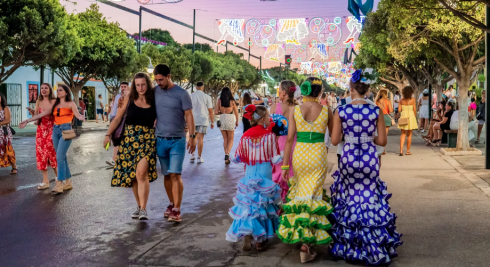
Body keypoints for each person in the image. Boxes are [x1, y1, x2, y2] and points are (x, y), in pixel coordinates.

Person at [330, 69, 402, 265]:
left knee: (351, 198)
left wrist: (350, 135)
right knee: (369, 198)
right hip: (369, 157)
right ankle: (373, 244)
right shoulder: (375, 110)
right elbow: (382, 141)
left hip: (349, 158)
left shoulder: (341, 110)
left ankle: (351, 244)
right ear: (368, 90)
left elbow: (335, 139)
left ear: (351, 89)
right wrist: (367, 137)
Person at [277, 77, 334, 263]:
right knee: (313, 195)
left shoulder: (294, 110)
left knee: (302, 194)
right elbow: (334, 139)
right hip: (318, 155)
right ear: (320, 92)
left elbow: (288, 140)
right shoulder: (327, 110)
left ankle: (303, 237)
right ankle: (307, 245)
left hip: (300, 155)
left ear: (304, 90)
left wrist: (285, 166)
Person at [225, 105, 282, 251]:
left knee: (250, 205)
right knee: (262, 205)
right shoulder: (270, 136)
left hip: (249, 174)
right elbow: (276, 159)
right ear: (262, 119)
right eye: (268, 116)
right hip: (264, 173)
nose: (270, 118)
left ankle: (247, 235)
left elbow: (236, 158)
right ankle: (260, 241)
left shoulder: (245, 135)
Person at [103, 72, 157, 220]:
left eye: (143, 84)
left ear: (148, 84)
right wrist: (108, 135)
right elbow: (118, 118)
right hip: (129, 140)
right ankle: (139, 206)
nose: (140, 87)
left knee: (141, 173)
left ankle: (144, 209)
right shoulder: (129, 99)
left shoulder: (154, 100)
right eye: (138, 85)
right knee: (133, 177)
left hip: (147, 140)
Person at [20, 85, 85, 194]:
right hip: (55, 131)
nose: (58, 92)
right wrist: (28, 120)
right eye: (57, 90)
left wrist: (81, 117)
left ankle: (59, 184)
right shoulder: (55, 104)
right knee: (62, 157)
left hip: (66, 130)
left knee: (59, 157)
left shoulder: (71, 103)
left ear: (66, 92)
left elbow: (77, 115)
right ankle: (68, 183)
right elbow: (43, 114)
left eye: (60, 90)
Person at [153, 64, 196, 223]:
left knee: (175, 174)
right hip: (160, 140)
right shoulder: (155, 91)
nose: (159, 82)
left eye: (161, 79)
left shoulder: (182, 93)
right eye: (156, 80)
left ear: (169, 76)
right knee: (166, 175)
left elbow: (189, 115)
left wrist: (192, 136)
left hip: (177, 140)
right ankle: (171, 204)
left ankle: (177, 210)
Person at [270, 80, 298, 200]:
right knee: (293, 177)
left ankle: (279, 206)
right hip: (295, 145)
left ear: (284, 93)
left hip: (279, 146)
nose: (278, 92)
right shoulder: (297, 108)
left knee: (279, 177)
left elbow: (272, 131)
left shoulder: (275, 107)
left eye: (279, 90)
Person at [27, 83, 57, 189]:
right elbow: (37, 120)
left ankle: (59, 179)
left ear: (50, 90)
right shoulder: (38, 101)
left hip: (52, 130)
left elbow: (57, 116)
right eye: (42, 88)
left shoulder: (54, 101)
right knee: (41, 155)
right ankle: (46, 181)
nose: (43, 90)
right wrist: (33, 115)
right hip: (40, 131)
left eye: (46, 88)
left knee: (51, 154)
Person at [190, 81, 214, 164]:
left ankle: (192, 155)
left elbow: (188, 110)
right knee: (200, 138)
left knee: (193, 137)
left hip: (193, 120)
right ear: (203, 87)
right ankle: (199, 157)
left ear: (196, 87)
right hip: (203, 120)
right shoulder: (207, 97)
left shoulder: (191, 96)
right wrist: (212, 122)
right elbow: (210, 110)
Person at [107, 82, 129, 166]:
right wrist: (112, 119)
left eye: (125, 86)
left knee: (120, 139)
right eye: (122, 86)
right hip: (116, 119)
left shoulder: (130, 96)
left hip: (124, 120)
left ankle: (116, 159)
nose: (123, 88)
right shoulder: (118, 96)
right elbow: (115, 109)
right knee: (116, 139)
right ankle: (115, 159)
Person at [215, 87, 238, 164]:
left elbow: (215, 112)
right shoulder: (232, 101)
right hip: (230, 119)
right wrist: (237, 121)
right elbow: (236, 112)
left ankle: (226, 156)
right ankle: (227, 154)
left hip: (222, 119)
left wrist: (221, 113)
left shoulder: (219, 101)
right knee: (231, 139)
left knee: (225, 138)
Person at [398, 86, 418, 155]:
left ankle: (401, 151)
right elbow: (414, 110)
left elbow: (399, 110)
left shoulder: (401, 100)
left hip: (403, 117)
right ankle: (407, 151)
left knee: (403, 134)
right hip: (411, 117)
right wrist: (415, 118)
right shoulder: (413, 100)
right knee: (409, 135)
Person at [0, 93, 17, 175]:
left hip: (4, 132)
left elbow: (8, 120)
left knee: (8, 148)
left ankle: (14, 167)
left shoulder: (5, 108)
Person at [376, 89, 393, 155]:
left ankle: (378, 148)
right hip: (386, 117)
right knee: (385, 135)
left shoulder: (377, 101)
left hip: (379, 117)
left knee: (378, 134)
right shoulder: (387, 101)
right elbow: (391, 110)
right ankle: (383, 150)